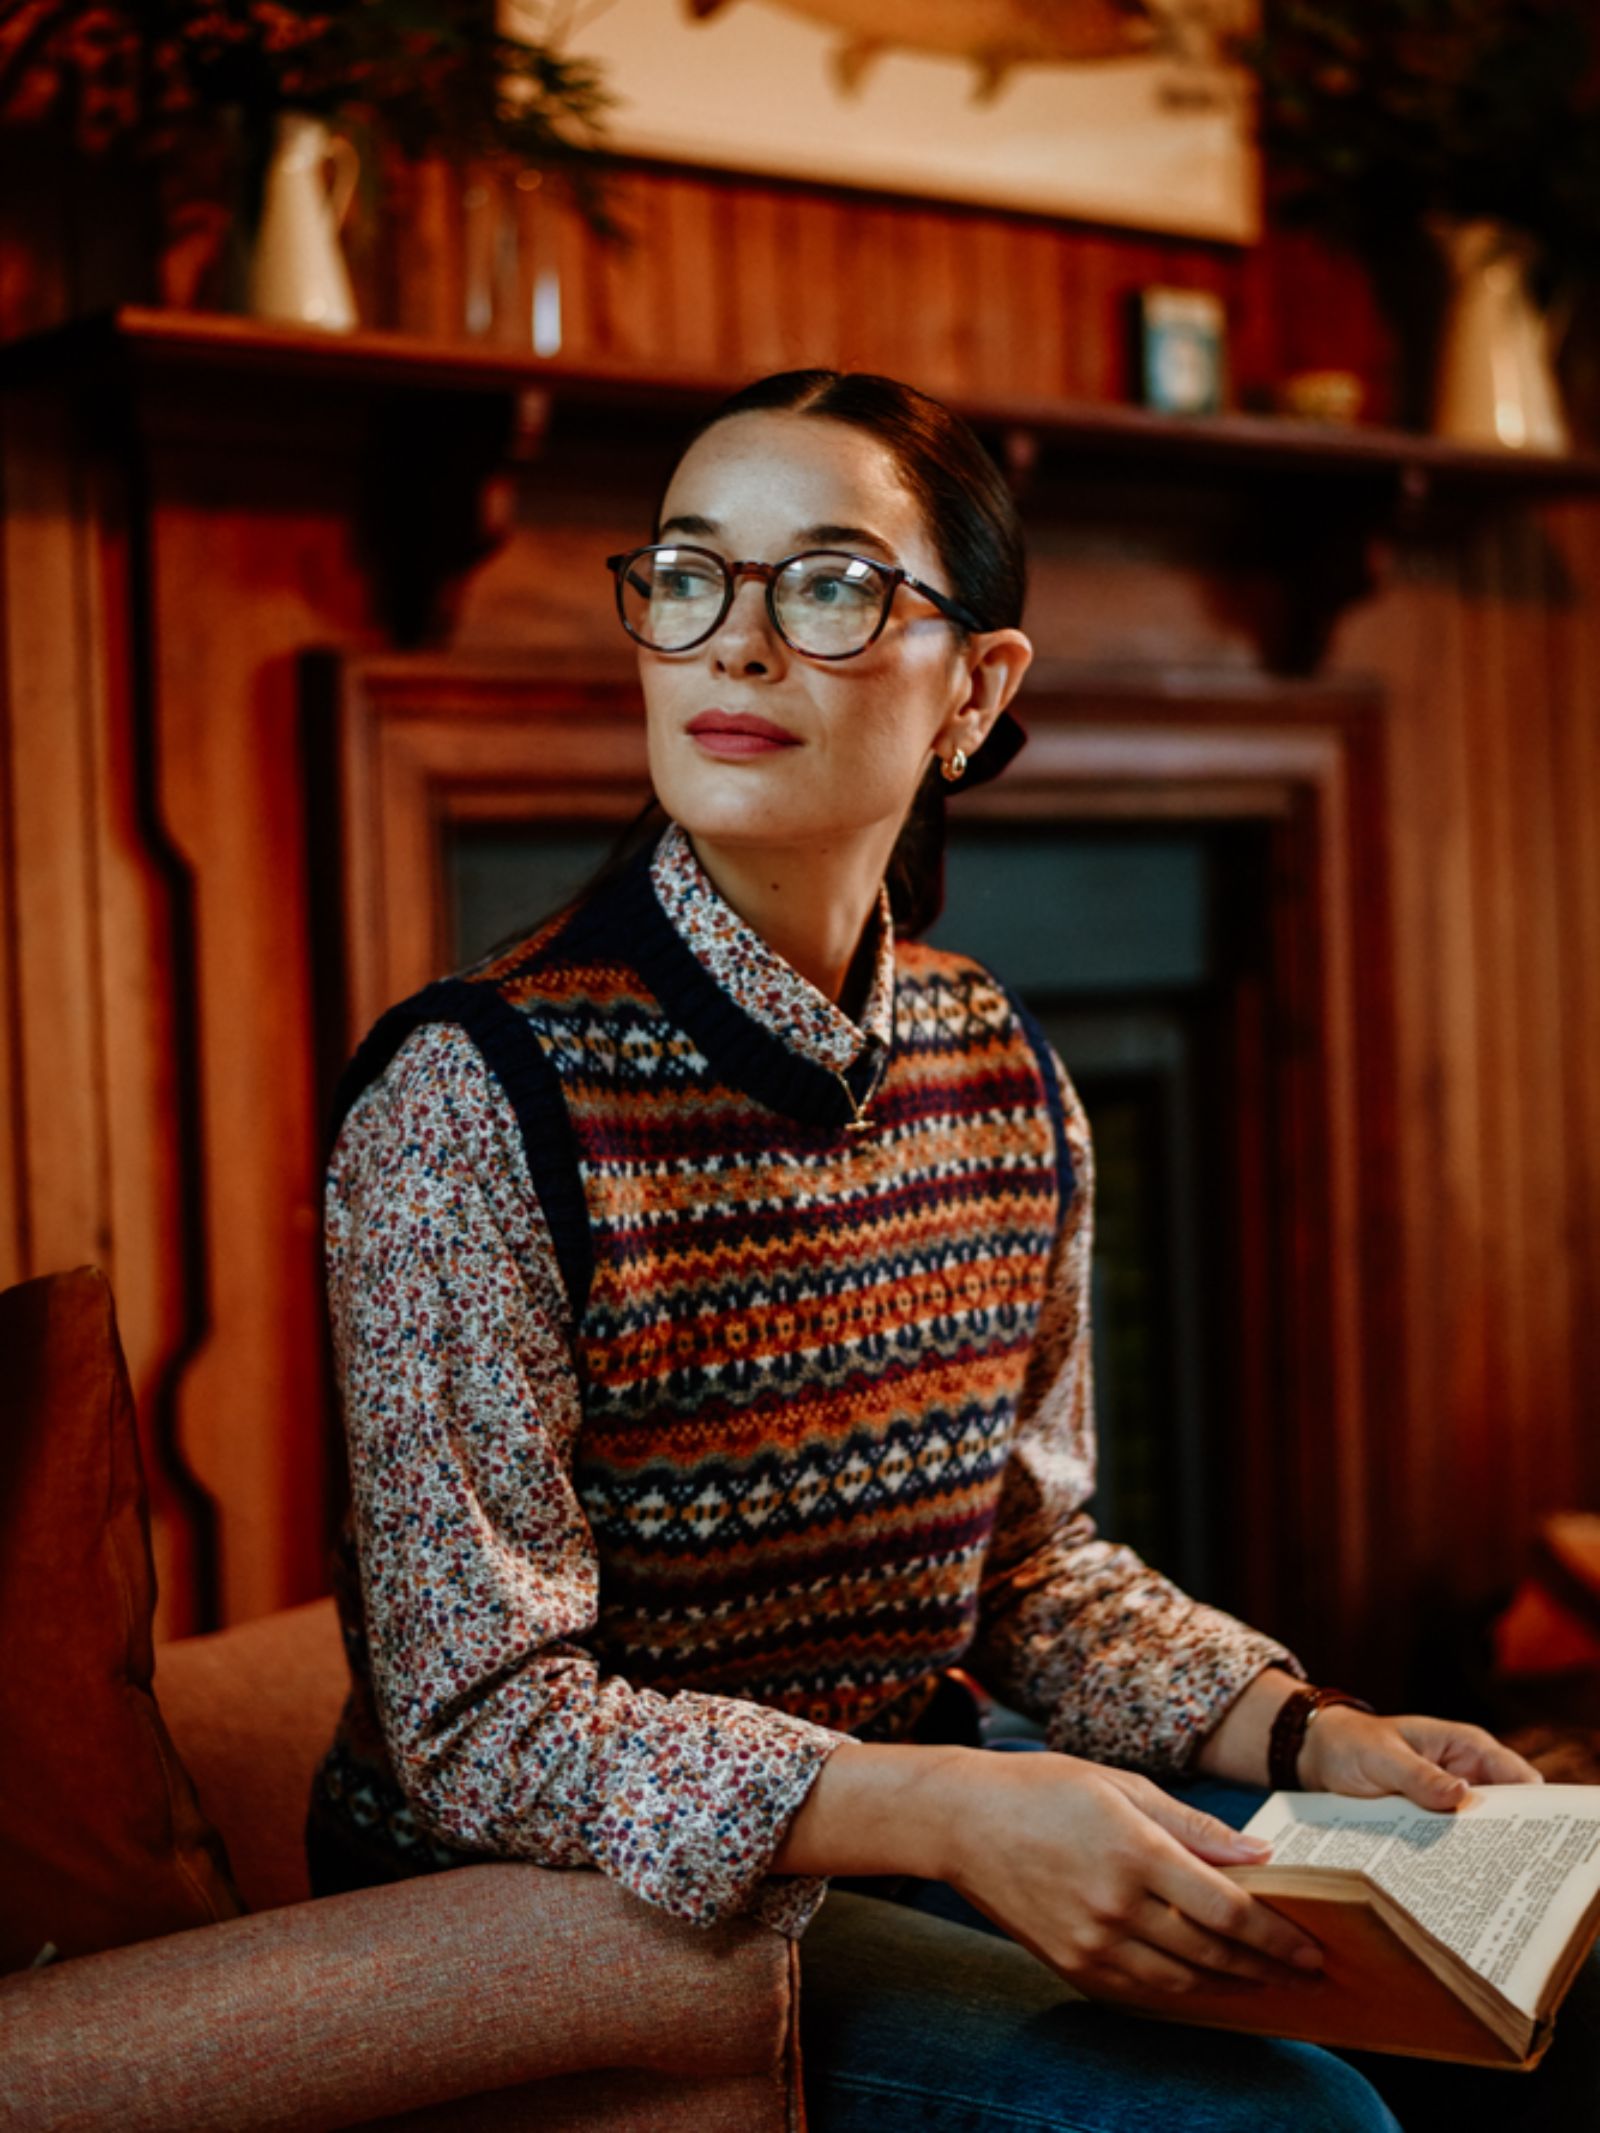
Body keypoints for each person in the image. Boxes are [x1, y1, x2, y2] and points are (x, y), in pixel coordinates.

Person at [308, 369, 1581, 2132]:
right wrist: (952, 1809)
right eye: (689, 574)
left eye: (828, 585)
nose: (732, 646)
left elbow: (1027, 1567)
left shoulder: (998, 1065)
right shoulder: (469, 1094)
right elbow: (482, 1727)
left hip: (925, 1798)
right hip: (561, 1904)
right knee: (1288, 2120)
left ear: (974, 689)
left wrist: (1309, 1734)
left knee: (1507, 2028)